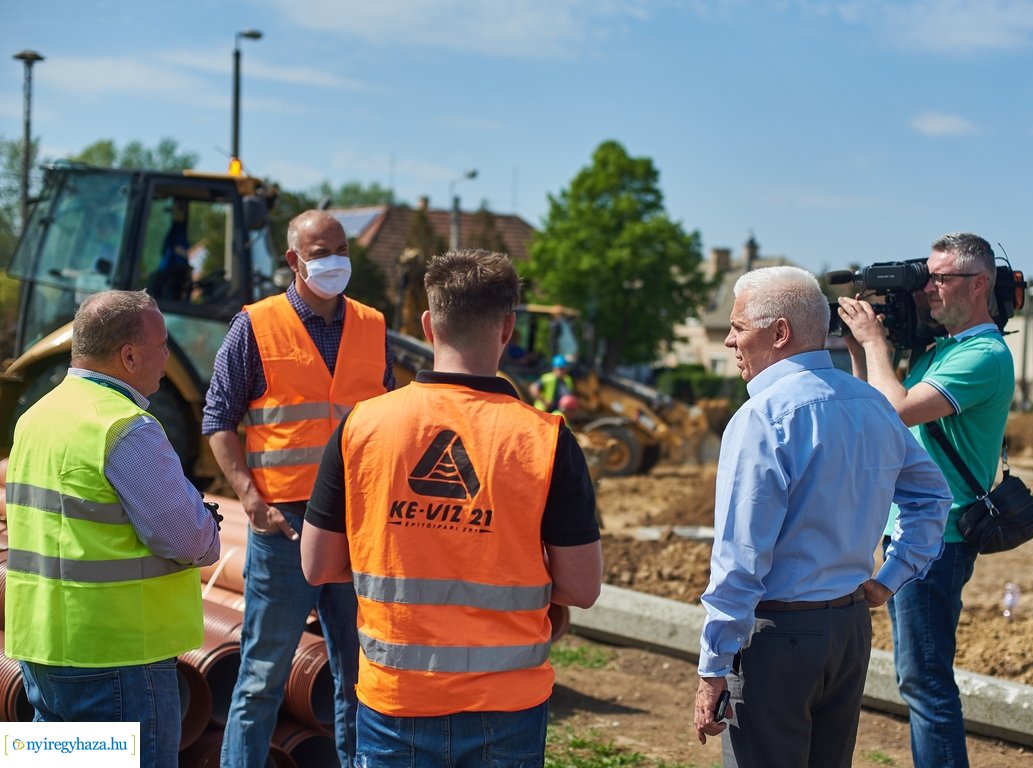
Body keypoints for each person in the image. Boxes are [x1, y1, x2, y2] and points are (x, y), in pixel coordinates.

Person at [301, 249, 602, 766]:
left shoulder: (362, 427)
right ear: (507, 328)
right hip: (507, 707)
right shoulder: (546, 440)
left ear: (427, 323)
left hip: (396, 700)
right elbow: (583, 587)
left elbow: (318, 564)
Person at [693, 266, 952, 767]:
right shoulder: (873, 406)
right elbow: (932, 499)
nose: (729, 341)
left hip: (778, 640)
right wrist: (889, 579)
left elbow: (740, 558)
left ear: (780, 333)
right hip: (849, 632)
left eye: (738, 327)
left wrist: (712, 668)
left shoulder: (761, 418)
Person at [202, 210, 395, 768]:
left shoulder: (372, 325)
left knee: (359, 676)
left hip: (357, 528)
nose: (334, 261)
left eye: (340, 249)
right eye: (319, 252)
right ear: (294, 260)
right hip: (284, 524)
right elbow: (218, 417)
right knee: (262, 675)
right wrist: (249, 498)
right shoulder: (256, 326)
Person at [4, 289, 221, 768]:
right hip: (118, 661)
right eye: (161, 344)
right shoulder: (126, 427)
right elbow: (190, 540)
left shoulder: (35, 418)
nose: (167, 355)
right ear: (128, 355)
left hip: (42, 651)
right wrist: (209, 526)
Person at [838, 232, 1015, 768]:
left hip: (940, 540)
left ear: (979, 283)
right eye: (929, 276)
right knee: (917, 678)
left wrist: (875, 343)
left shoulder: (983, 354)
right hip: (916, 533)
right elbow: (876, 407)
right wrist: (856, 346)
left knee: (925, 681)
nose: (929, 289)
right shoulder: (942, 351)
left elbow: (897, 409)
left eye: (941, 278)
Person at [148, 199, 192, 301]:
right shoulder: (174, 229)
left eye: (178, 210)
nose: (173, 214)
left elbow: (179, 255)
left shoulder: (178, 231)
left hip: (171, 275)